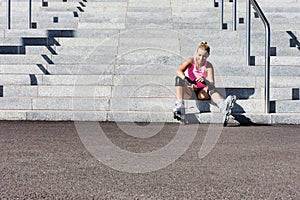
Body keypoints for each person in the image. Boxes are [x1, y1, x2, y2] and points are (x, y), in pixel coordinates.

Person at [173, 41, 236, 124]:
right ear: (196, 53)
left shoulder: (208, 66)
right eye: (199, 55)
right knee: (178, 78)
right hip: (189, 91)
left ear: (208, 56)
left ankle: (224, 107)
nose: (201, 58)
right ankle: (180, 106)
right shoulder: (191, 61)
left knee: (211, 88)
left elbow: (212, 83)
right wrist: (188, 81)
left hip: (201, 92)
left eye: (204, 56)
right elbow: (179, 71)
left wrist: (205, 81)